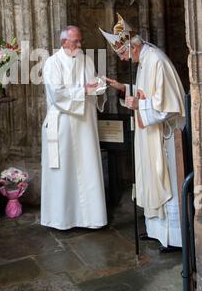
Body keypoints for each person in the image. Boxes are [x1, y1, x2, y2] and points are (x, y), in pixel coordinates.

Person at [101, 15, 185, 252]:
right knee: (150, 179)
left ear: (133, 45)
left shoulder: (156, 60)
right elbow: (145, 93)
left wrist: (140, 106)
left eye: (124, 54)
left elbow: (167, 104)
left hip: (164, 137)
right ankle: (157, 230)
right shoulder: (144, 59)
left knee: (163, 180)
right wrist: (123, 87)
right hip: (149, 134)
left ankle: (173, 237)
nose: (124, 59)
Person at [41, 25, 108, 230]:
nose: (79, 45)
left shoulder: (86, 60)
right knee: (63, 172)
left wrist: (99, 86)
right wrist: (84, 91)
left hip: (85, 124)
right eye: (75, 42)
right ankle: (62, 219)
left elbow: (94, 85)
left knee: (88, 167)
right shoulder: (52, 63)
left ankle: (92, 219)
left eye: (80, 41)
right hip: (62, 125)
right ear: (64, 42)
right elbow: (57, 95)